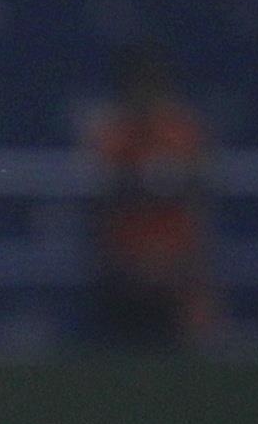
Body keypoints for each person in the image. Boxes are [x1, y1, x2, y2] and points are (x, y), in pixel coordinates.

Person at [87, 42, 218, 349]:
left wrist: (183, 264)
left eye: (151, 85)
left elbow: (200, 201)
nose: (143, 95)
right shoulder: (112, 134)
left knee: (180, 356)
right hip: (124, 266)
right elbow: (102, 203)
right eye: (137, 85)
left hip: (176, 264)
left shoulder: (183, 133)